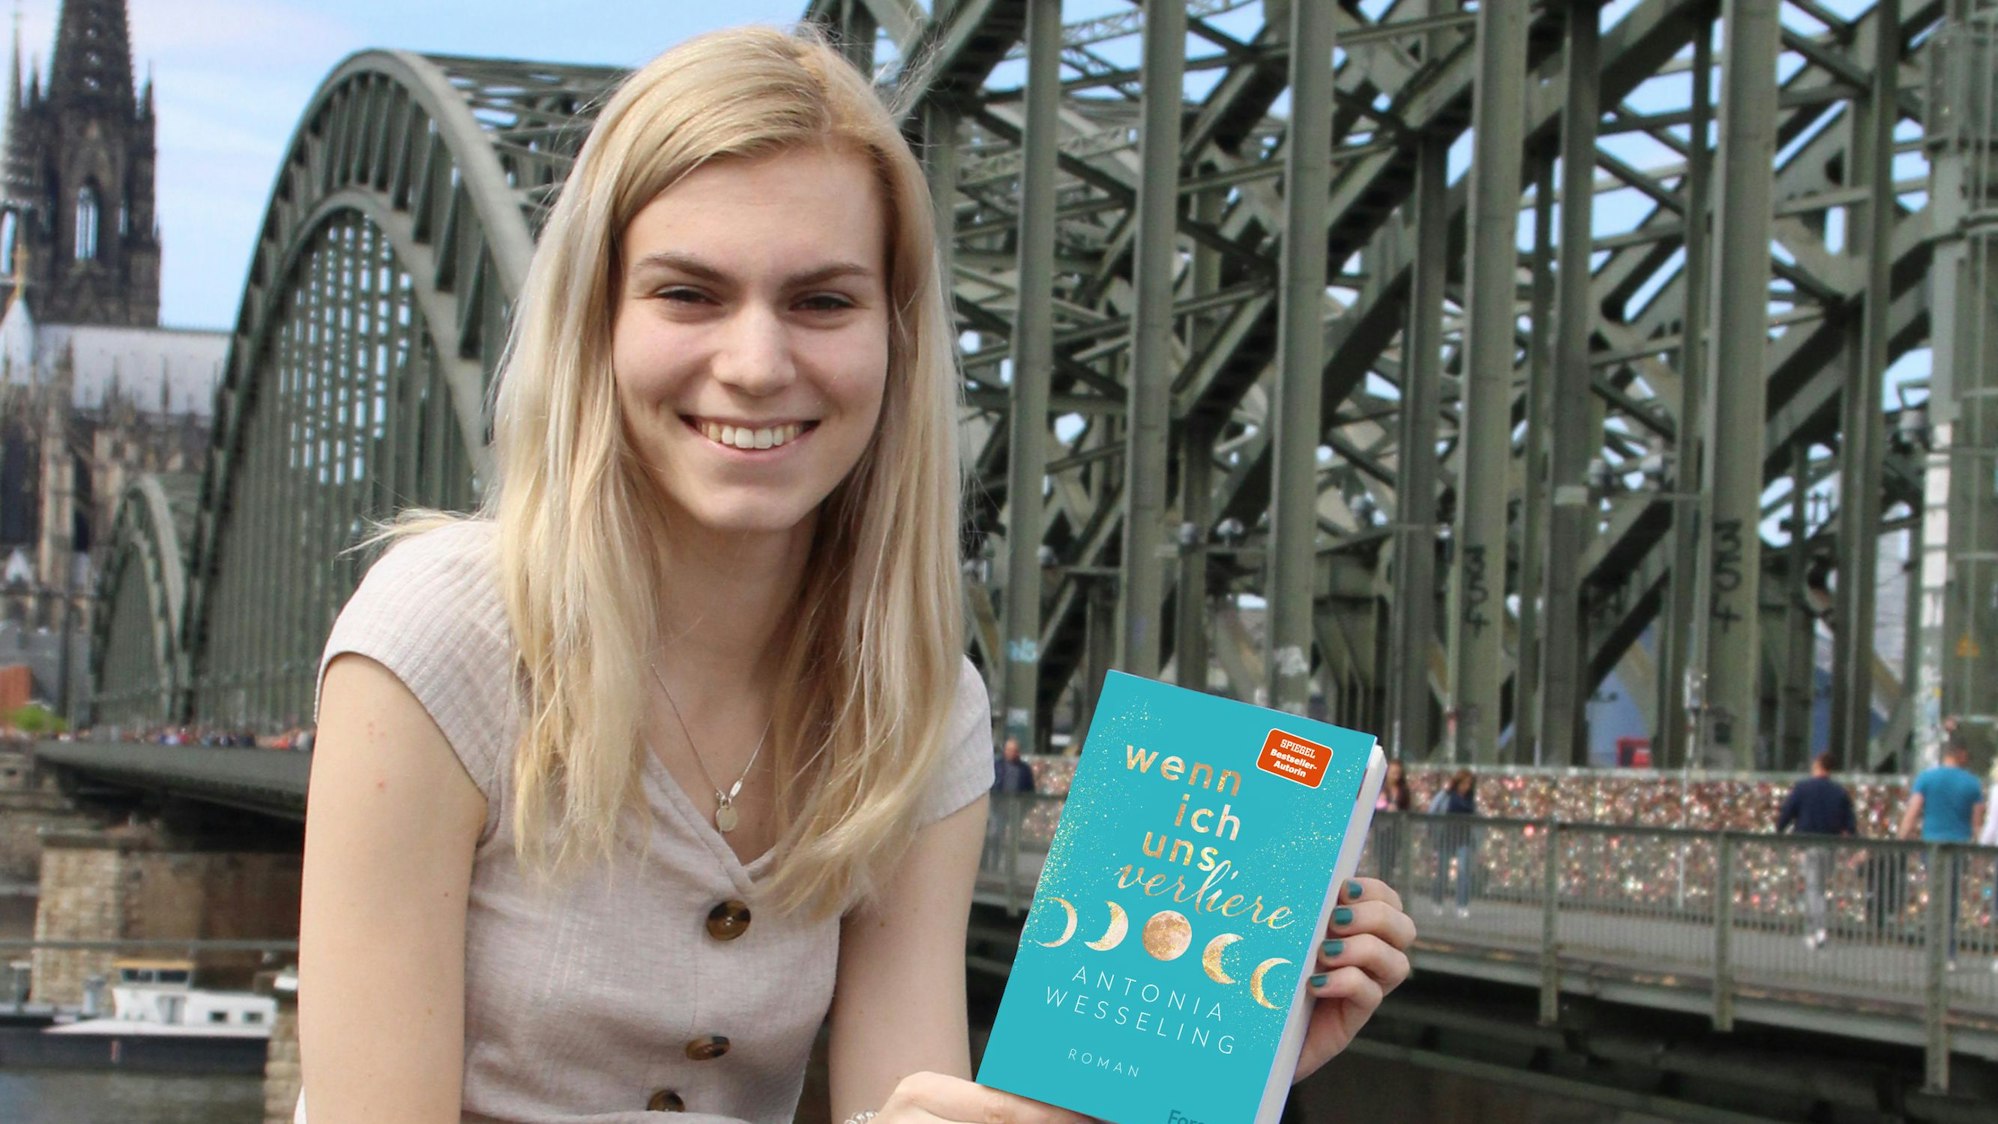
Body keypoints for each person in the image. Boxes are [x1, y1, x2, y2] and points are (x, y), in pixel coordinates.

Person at [295, 25, 1416, 1124]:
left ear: (895, 336)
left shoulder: (921, 705)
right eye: (688, 294)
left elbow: (912, 1101)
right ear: (597, 322)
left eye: (822, 302)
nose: (755, 364)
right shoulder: (442, 635)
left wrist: (1213, 1065)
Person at [1898, 741, 1987, 968]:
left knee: (1936, 897)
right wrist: (1978, 855)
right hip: (1958, 847)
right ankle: (1949, 953)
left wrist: (1901, 839)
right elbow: (1977, 824)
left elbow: (1913, 812)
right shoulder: (1973, 783)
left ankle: (1936, 950)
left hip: (1933, 846)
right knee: (1952, 899)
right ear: (1960, 755)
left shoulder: (1927, 778)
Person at [1776, 751, 1856, 949]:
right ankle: (1816, 928)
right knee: (1819, 886)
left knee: (1813, 888)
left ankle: (1817, 929)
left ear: (1819, 765)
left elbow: (1787, 812)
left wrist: (1779, 830)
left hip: (1808, 842)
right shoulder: (1839, 791)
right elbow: (1850, 823)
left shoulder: (1803, 788)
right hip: (1830, 844)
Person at [1428, 769, 1478, 918]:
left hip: (1464, 838)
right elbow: (1433, 809)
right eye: (1463, 783)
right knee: (1442, 872)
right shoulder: (1447, 796)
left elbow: (1475, 815)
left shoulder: (1470, 799)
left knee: (1463, 872)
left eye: (1469, 784)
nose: (1466, 787)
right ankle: (1437, 902)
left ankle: (1462, 905)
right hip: (1446, 836)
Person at [983, 736, 1037, 872]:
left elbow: (1030, 791)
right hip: (999, 807)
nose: (1011, 753)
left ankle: (1010, 868)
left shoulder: (1024, 769)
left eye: (1014, 750)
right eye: (1009, 750)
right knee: (996, 836)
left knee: (1013, 841)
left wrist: (1025, 807)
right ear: (1005, 751)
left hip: (1016, 810)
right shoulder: (997, 766)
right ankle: (993, 865)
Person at [1373, 759, 1411, 886]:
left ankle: (1387, 882)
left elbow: (1407, 806)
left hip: (1396, 829)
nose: (1395, 775)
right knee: (1382, 859)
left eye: (1398, 773)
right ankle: (1381, 882)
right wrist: (1385, 807)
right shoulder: (1381, 787)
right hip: (1382, 828)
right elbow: (1375, 804)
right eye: (1393, 772)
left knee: (1391, 860)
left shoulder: (1403, 790)